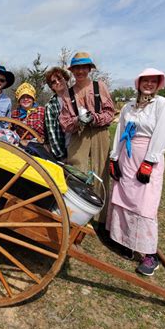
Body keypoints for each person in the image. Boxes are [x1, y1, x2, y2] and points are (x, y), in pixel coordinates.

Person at [107, 68, 165, 276]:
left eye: (153, 81)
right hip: (127, 156)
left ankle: (149, 255)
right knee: (123, 198)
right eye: (146, 80)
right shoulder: (129, 107)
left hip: (146, 157)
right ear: (139, 83)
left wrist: (149, 162)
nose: (149, 84)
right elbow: (120, 133)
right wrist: (114, 158)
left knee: (145, 204)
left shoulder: (161, 105)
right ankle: (126, 242)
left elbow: (161, 133)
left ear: (158, 84)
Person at [59, 52, 114, 229]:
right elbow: (65, 122)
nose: (80, 71)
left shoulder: (100, 87)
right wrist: (77, 121)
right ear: (72, 71)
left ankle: (100, 219)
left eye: (84, 67)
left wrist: (95, 118)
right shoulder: (68, 93)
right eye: (77, 68)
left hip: (99, 132)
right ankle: (75, 213)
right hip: (79, 133)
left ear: (89, 69)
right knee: (76, 171)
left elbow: (110, 112)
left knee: (101, 171)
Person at [44, 67, 71, 161]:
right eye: (53, 82)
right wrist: (62, 157)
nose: (58, 82)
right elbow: (52, 135)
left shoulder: (78, 95)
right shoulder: (50, 106)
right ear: (51, 87)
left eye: (59, 79)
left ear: (66, 78)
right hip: (66, 149)